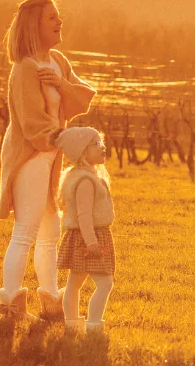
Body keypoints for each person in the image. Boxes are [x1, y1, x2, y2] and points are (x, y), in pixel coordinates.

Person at [0, 0, 97, 325]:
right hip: (32, 155)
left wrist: (61, 83)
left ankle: (51, 305)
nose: (59, 22)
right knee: (26, 228)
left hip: (51, 156)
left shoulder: (56, 62)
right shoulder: (25, 68)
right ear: (34, 25)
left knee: (50, 230)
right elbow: (32, 124)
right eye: (51, 18)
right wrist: (68, 142)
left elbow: (83, 97)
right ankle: (12, 305)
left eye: (59, 16)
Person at [54, 127, 117, 336]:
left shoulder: (84, 175)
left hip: (84, 235)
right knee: (105, 282)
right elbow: (84, 216)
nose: (102, 147)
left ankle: (72, 324)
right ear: (82, 151)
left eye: (101, 142)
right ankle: (94, 326)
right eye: (96, 144)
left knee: (75, 282)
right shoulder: (85, 181)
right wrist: (91, 242)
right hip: (89, 236)